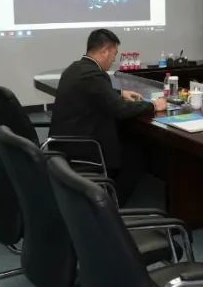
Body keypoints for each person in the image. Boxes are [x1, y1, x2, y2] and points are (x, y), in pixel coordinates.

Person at [50, 29, 166, 202]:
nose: (113, 60)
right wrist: (154, 105)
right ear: (104, 51)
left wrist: (119, 93)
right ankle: (109, 204)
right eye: (114, 54)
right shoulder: (94, 75)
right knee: (137, 154)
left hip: (64, 144)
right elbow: (121, 110)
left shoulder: (76, 68)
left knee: (127, 140)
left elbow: (96, 93)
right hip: (84, 148)